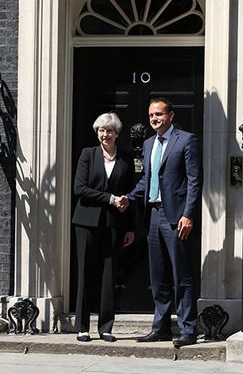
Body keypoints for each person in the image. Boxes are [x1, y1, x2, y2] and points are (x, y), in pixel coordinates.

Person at [123, 97, 202, 348]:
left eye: (158, 114)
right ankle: (161, 328)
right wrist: (129, 197)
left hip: (177, 217)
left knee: (182, 276)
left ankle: (188, 329)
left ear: (171, 115)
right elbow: (147, 179)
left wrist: (188, 214)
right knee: (158, 276)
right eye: (151, 115)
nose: (154, 119)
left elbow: (194, 180)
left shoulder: (186, 140)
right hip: (154, 216)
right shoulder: (148, 144)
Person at [71, 112, 135, 343]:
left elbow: (129, 194)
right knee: (85, 273)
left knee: (109, 275)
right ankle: (82, 327)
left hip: (114, 224)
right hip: (86, 222)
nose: (105, 134)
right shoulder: (88, 154)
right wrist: (109, 199)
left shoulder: (126, 159)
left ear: (116, 133)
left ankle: (106, 327)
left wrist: (130, 227)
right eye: (101, 130)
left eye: (109, 131)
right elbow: (80, 188)